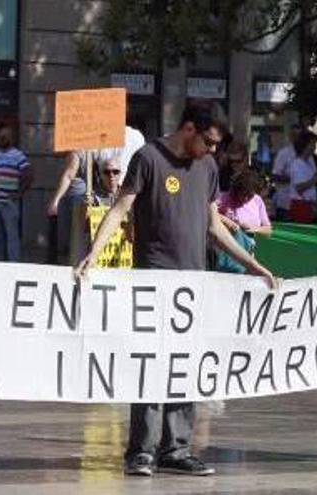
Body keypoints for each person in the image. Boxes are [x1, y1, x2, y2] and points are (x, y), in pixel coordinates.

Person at [75, 106, 276, 478]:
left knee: (185, 364)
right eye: (209, 142)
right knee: (150, 362)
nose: (213, 151)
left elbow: (214, 227)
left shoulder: (208, 169)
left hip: (193, 284)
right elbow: (120, 210)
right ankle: (142, 449)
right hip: (153, 280)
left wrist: (253, 265)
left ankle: (177, 448)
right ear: (189, 129)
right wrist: (94, 253)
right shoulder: (148, 158)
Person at [0, 126, 32, 262]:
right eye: (0, 137)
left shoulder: (18, 156)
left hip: (10, 203)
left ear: (11, 139)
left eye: (5, 137)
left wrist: (19, 193)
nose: (2, 139)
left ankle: (14, 264)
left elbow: (29, 175)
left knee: (12, 236)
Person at [216, 169, 272, 237]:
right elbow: (207, 211)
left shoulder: (258, 201)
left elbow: (268, 230)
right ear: (236, 189)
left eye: (250, 196)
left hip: (250, 243)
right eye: (243, 194)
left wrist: (253, 229)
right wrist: (227, 221)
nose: (246, 198)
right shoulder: (224, 198)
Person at [287, 130, 317, 223]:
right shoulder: (296, 164)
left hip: (311, 204)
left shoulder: (311, 161)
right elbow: (299, 187)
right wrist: (314, 180)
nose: (314, 148)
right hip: (300, 204)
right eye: (312, 144)